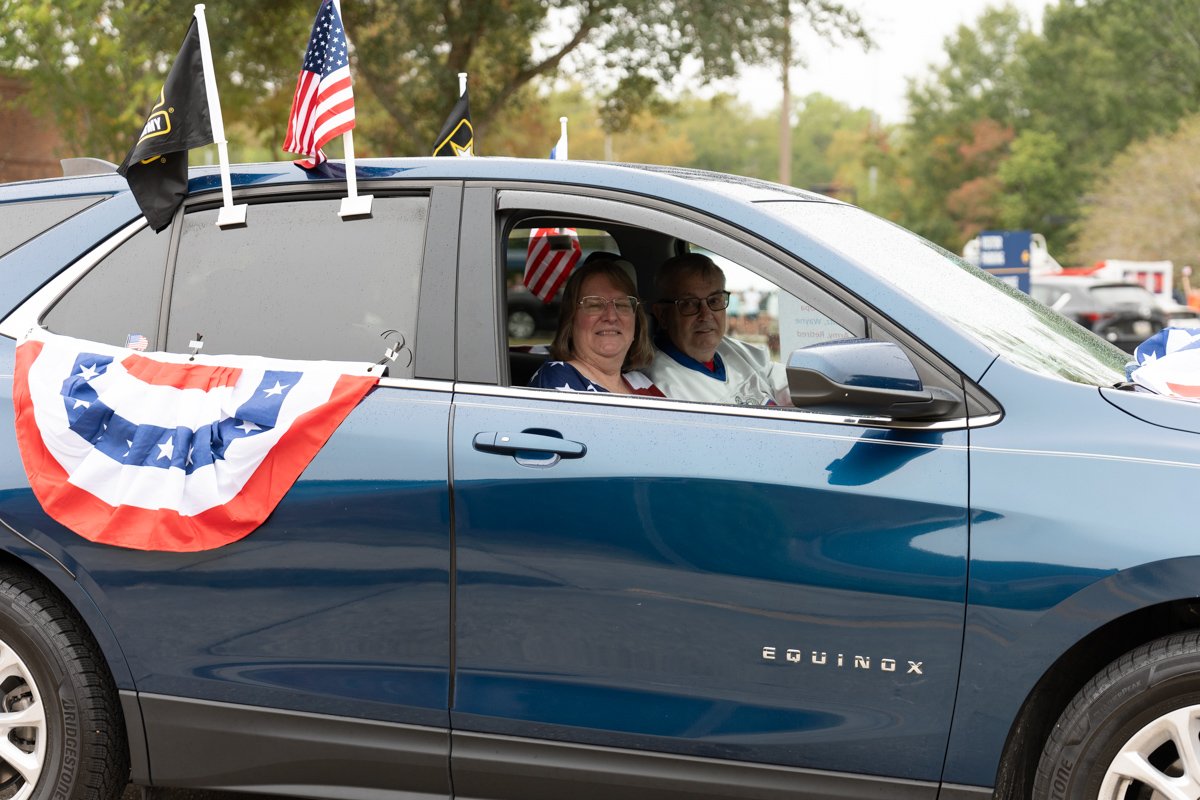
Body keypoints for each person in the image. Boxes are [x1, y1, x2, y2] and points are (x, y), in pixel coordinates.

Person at [645, 253, 791, 406]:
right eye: (689, 303)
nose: (706, 315)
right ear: (662, 315)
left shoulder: (730, 349)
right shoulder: (660, 389)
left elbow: (780, 379)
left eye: (714, 300)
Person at [529, 259, 664, 396]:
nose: (611, 316)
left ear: (636, 324)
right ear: (569, 323)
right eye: (594, 305)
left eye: (622, 305)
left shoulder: (641, 382)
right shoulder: (557, 379)